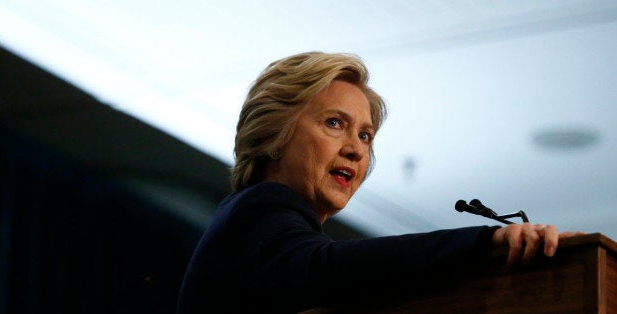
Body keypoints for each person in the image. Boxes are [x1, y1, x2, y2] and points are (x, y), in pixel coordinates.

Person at [177, 52, 582, 313]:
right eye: (334, 123)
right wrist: (484, 244)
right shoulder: (257, 210)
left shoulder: (269, 227)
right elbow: (327, 269)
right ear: (273, 134)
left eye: (366, 135)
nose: (356, 149)